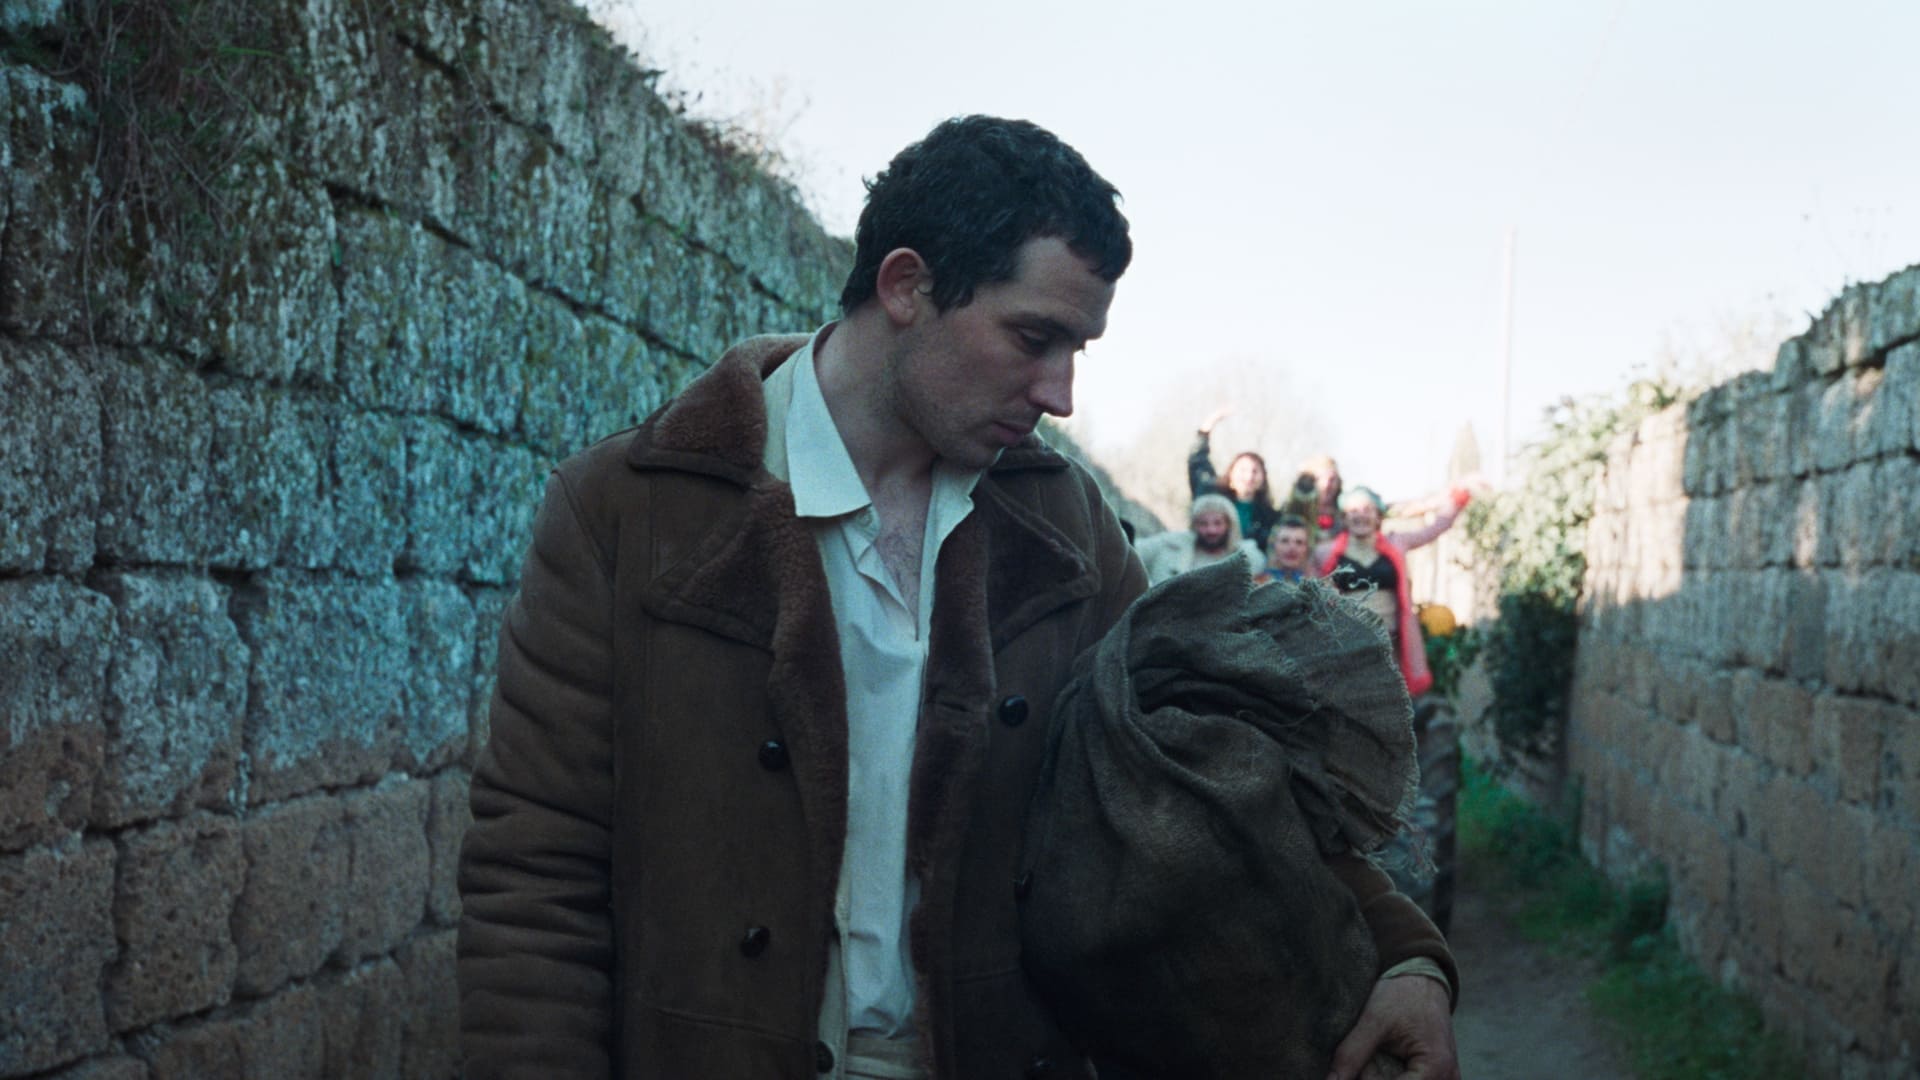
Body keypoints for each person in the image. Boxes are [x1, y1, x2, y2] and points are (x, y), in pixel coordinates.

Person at [458, 115, 1457, 1080]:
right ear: (907, 286)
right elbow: (536, 874)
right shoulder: (629, 511)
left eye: (1077, 350)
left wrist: (1402, 957)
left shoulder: (1065, 527)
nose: (1061, 393)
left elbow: (1211, 774)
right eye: (1034, 338)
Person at [1316, 485, 1471, 697]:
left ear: (1378, 516)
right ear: (1344, 518)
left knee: (1388, 700)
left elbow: (1435, 528)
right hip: (1348, 643)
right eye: (1353, 511)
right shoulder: (1324, 552)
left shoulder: (1396, 542)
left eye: (1367, 509)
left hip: (1389, 640)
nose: (1361, 515)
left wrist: (1459, 496)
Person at [1188, 406, 1281, 550]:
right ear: (1230, 474)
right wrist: (1207, 427)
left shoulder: (1269, 517)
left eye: (1255, 471)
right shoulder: (1211, 497)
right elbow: (1198, 462)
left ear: (1263, 478)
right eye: (1243, 470)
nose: (1249, 476)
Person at [1134, 493, 1264, 586]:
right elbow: (1132, 550)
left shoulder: (1249, 557)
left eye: (1218, 523)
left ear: (1229, 525)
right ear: (1194, 525)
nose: (1211, 530)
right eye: (1203, 523)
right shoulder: (1169, 545)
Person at [1253, 513, 1316, 585]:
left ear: (1307, 548)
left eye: (1299, 542)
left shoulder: (1315, 586)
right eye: (1285, 541)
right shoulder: (1257, 584)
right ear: (1273, 545)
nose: (1292, 547)